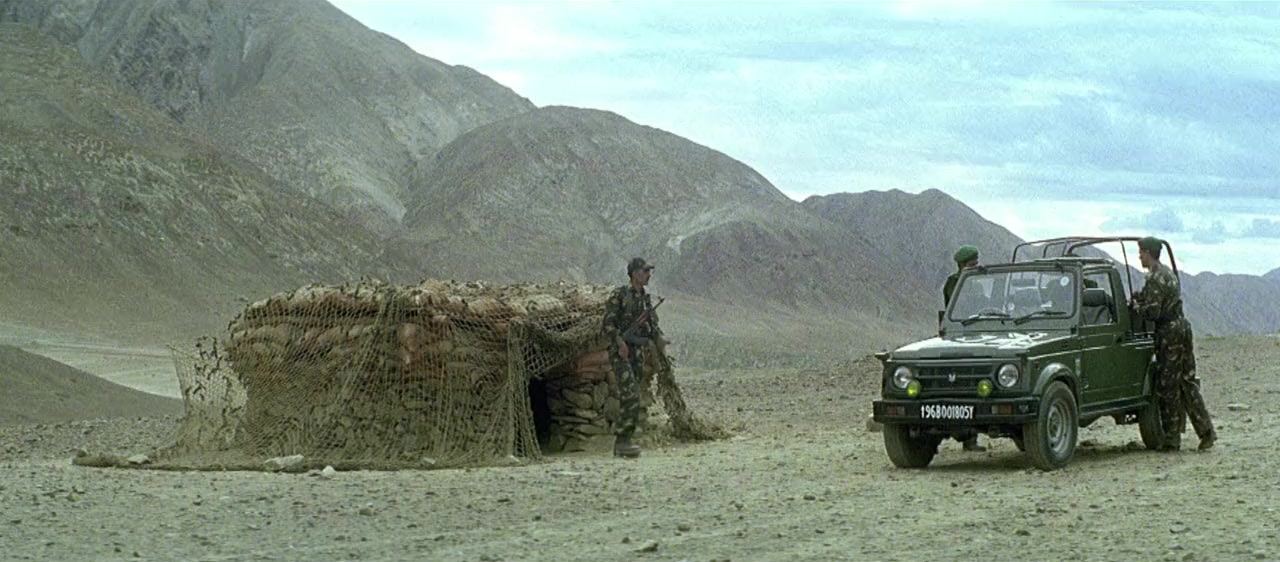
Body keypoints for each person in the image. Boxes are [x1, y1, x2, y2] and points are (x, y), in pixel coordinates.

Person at [1130, 236, 1216, 451]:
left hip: (1169, 333)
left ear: (1148, 253)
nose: (1139, 257)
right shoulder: (1167, 274)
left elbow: (1154, 311)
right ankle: (1206, 432)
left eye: (1141, 253)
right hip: (1181, 328)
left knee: (1168, 386)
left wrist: (1137, 308)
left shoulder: (1156, 278)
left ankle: (1171, 438)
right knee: (1187, 382)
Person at [602, 257, 665, 458]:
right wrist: (620, 343)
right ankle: (622, 440)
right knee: (630, 394)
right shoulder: (620, 295)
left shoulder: (645, 299)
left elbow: (652, 327)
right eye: (645, 271)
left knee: (635, 394)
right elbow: (608, 324)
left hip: (636, 352)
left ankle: (625, 439)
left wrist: (658, 340)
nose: (648, 275)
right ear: (635, 274)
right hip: (621, 352)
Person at [943, 245, 986, 453]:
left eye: (976, 263)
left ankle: (970, 439)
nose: (975, 267)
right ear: (961, 266)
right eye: (971, 264)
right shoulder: (955, 284)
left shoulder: (975, 282)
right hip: (960, 335)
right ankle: (966, 437)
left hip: (978, 334)